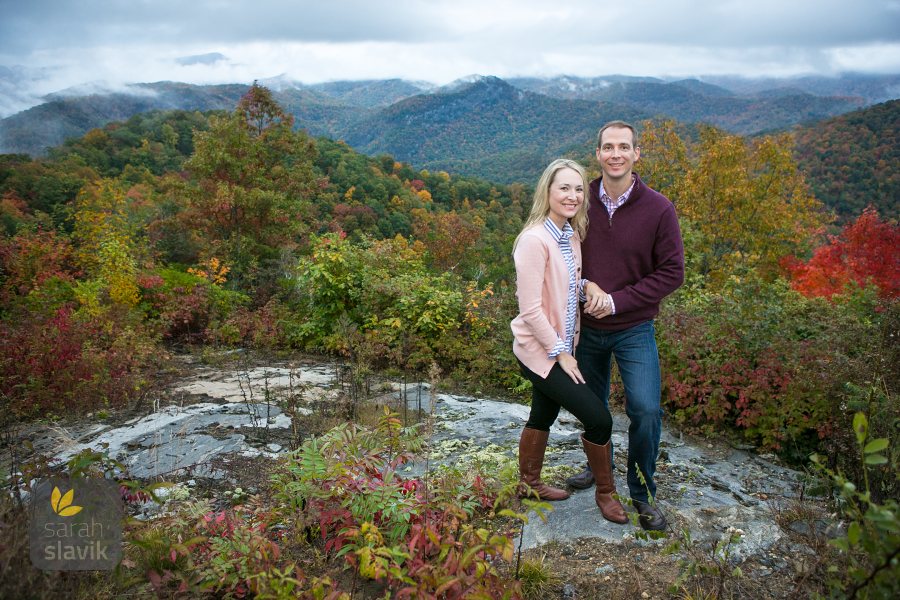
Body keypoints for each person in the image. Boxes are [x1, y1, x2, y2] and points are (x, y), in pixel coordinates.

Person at [565, 120, 685, 531]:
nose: (615, 154)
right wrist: (584, 287)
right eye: (608, 147)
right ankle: (599, 474)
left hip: (634, 326)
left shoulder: (659, 209)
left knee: (646, 409)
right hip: (586, 326)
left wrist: (617, 301)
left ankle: (642, 492)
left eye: (624, 147)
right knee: (592, 409)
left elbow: (672, 273)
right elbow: (559, 256)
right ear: (597, 154)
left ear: (637, 154)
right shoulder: (580, 203)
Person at [510, 158, 628, 524]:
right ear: (547, 191)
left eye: (578, 189)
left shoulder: (570, 234)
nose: (573, 195)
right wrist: (562, 355)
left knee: (542, 414)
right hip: (539, 350)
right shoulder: (534, 240)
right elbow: (530, 309)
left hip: (560, 347)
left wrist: (588, 285)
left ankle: (528, 484)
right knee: (599, 419)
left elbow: (567, 283)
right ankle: (605, 495)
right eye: (564, 187)